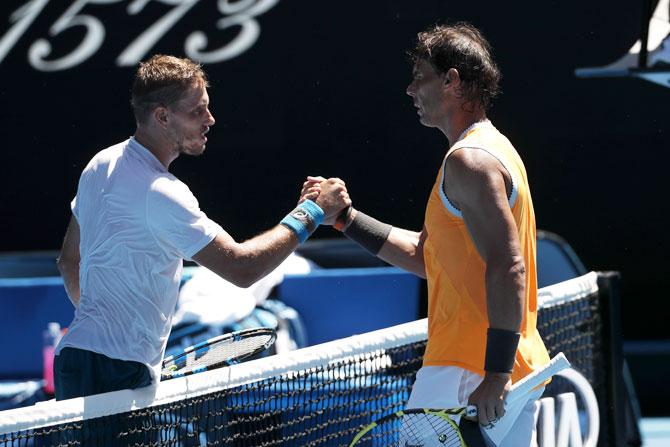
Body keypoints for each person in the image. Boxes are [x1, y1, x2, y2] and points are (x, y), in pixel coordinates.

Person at [302, 23, 550, 446]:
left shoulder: (469, 161)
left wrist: (496, 373)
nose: (410, 89)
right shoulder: (490, 149)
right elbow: (426, 255)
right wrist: (345, 218)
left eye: (420, 76)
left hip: (470, 374)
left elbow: (508, 265)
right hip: (482, 369)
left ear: (451, 81)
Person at [55, 54, 350, 400]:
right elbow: (242, 268)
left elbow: (68, 262)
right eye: (197, 111)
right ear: (162, 117)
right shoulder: (162, 192)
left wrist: (106, 329)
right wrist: (312, 212)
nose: (210, 119)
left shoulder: (100, 164)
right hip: (117, 371)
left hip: (75, 358)